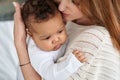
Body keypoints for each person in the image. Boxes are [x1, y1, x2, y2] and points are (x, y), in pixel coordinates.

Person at [13, 0, 120, 80]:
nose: (61, 7)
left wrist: (20, 43)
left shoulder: (94, 39)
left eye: (74, 2)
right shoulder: (68, 20)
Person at [15, 0, 86, 80]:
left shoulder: (59, 24)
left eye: (60, 31)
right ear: (31, 36)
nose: (56, 39)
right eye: (47, 37)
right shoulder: (38, 54)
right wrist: (72, 63)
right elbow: (51, 75)